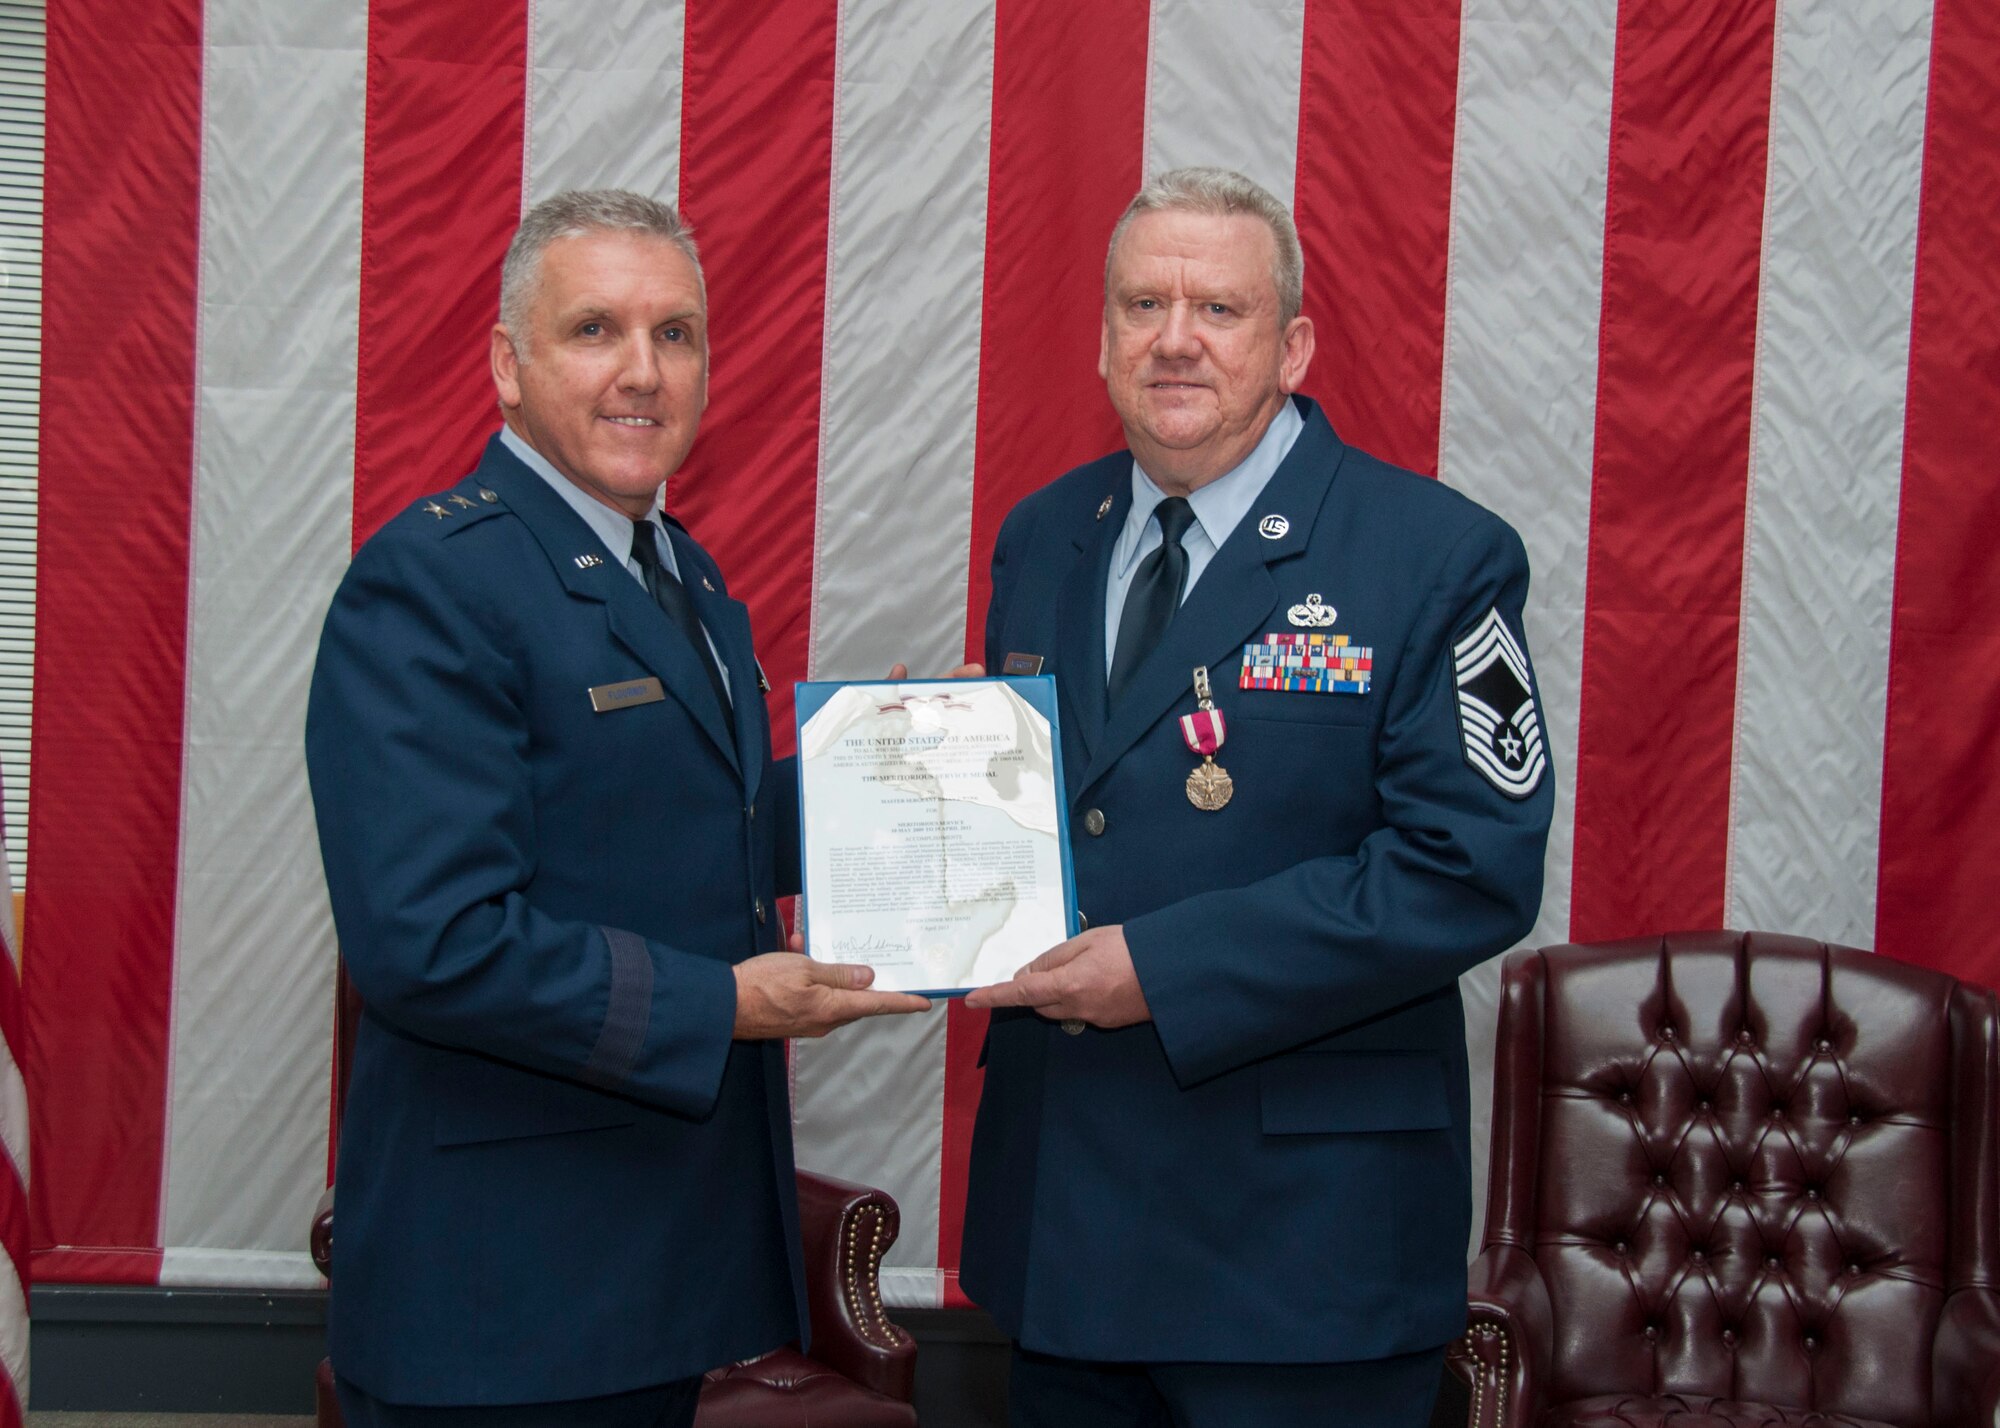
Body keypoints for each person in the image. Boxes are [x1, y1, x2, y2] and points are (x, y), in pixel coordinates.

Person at [305, 189, 930, 1428]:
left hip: (653, 1266)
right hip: (500, 1294)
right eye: (595, 330)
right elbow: (429, 942)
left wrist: (901, 777)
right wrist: (723, 1003)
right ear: (507, 365)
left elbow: (681, 835)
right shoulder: (434, 582)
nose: (641, 372)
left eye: (675, 334)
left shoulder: (679, 571)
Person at [962, 168, 1554, 1428]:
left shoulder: (1432, 557)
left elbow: (1468, 868)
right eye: (1142, 304)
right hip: (1065, 1232)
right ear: (1103, 340)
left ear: (1289, 345)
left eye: (1217, 310)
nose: (1173, 339)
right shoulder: (1041, 536)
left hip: (1300, 1255)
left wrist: (1165, 971)